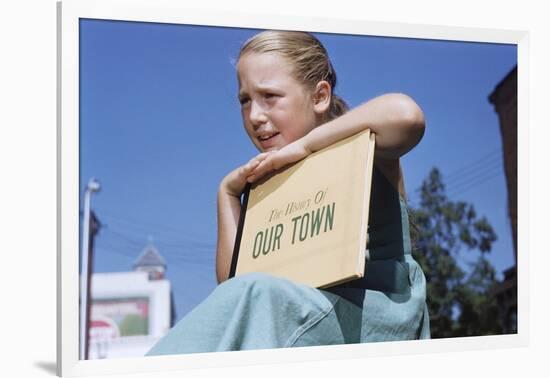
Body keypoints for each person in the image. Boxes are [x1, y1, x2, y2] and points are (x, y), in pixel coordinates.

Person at [146, 30, 429, 355]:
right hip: (302, 320)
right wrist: (226, 194)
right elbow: (232, 293)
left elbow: (406, 115)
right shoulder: (268, 180)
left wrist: (307, 146)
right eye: (245, 100)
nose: (254, 116)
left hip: (374, 318)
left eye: (270, 96)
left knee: (256, 295)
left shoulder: (360, 143)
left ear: (320, 96)